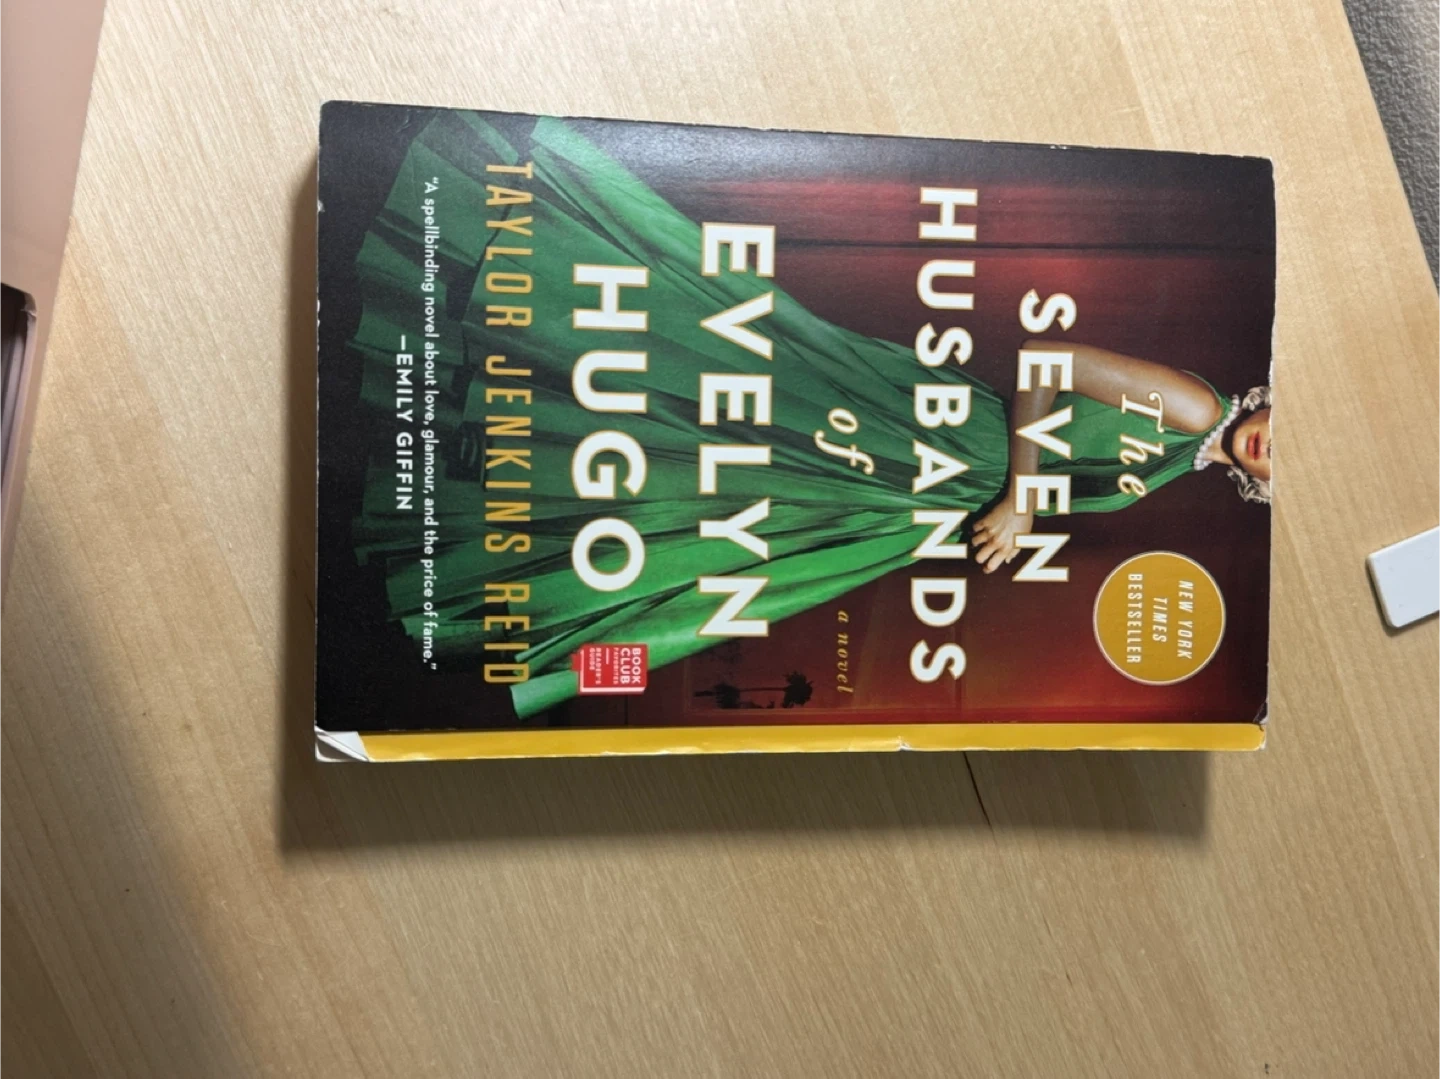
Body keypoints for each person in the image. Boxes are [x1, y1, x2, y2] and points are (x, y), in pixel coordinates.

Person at [346, 112, 1272, 718]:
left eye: (1285, 468)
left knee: (727, 558)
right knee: (730, 387)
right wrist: (1023, 496)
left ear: (1266, 491)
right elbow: (1044, 362)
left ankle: (484, 547)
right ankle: (490, 318)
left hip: (923, 501)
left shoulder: (1183, 463)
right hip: (940, 433)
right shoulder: (1197, 406)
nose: (1277, 450)